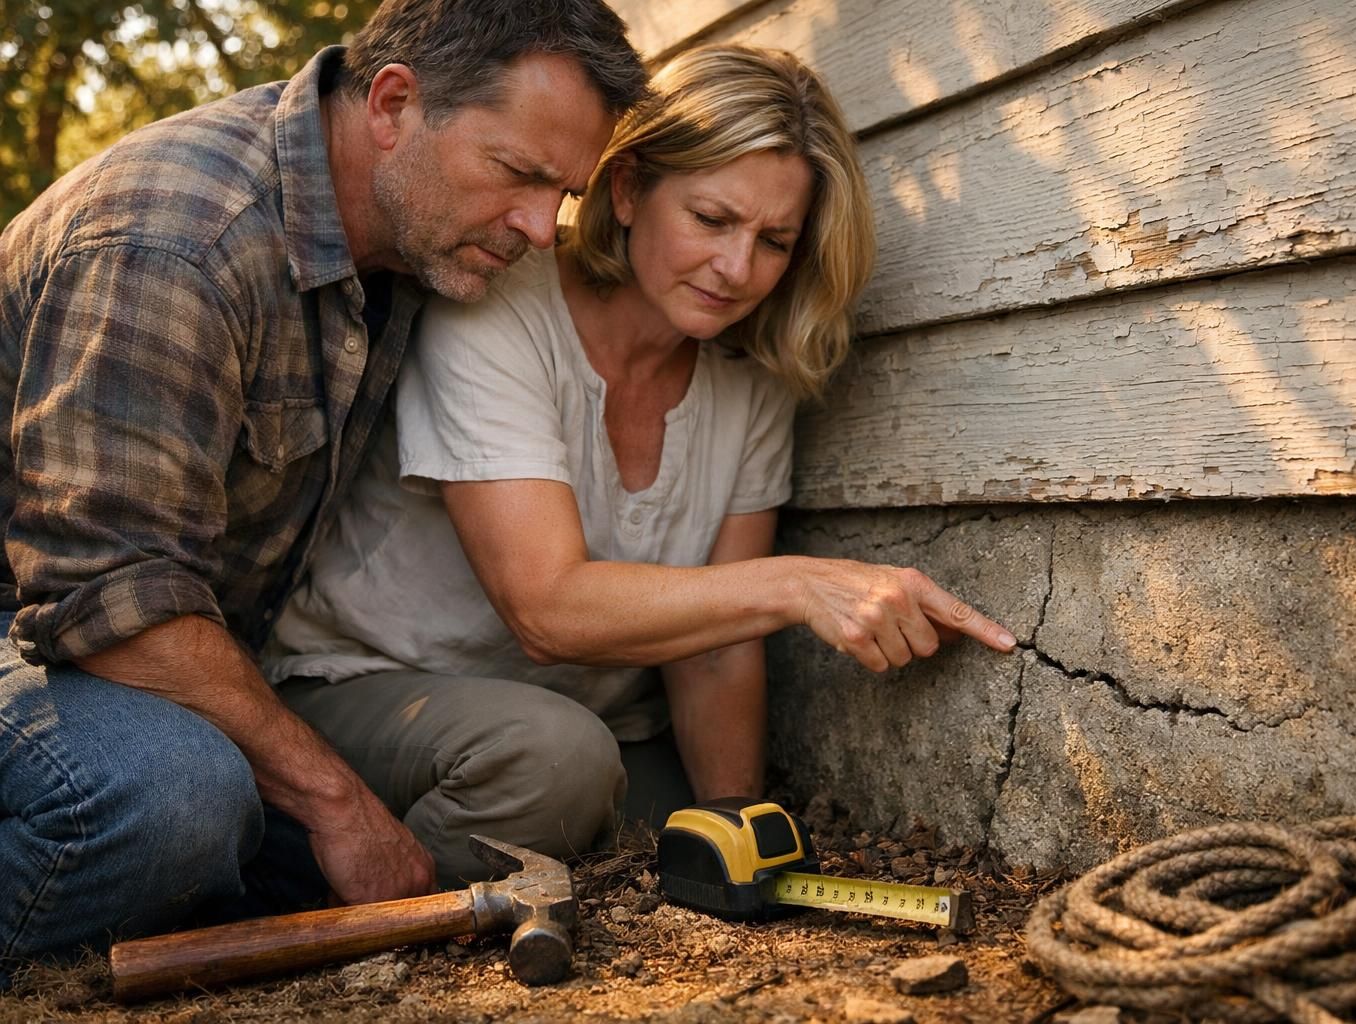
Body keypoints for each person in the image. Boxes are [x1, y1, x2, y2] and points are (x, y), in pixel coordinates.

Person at [264, 44, 1020, 888]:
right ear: (626, 190)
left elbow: (714, 648)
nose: (738, 270)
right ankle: (305, 882)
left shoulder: (749, 380)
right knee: (557, 767)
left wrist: (739, 838)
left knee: (677, 830)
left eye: (774, 241)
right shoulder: (498, 307)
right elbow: (545, 609)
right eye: (710, 219)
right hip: (373, 689)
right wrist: (800, 584)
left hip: (593, 723)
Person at [0, 0, 647, 985]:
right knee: (176, 798)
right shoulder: (179, 241)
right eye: (519, 174)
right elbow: (103, 601)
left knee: (535, 768)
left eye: (563, 191)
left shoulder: (398, 236)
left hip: (194, 651)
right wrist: (337, 802)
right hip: (40, 627)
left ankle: (202, 919)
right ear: (393, 103)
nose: (540, 228)